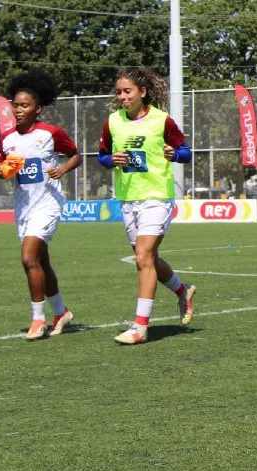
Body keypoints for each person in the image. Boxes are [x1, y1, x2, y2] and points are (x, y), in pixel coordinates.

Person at [98, 68, 195, 345]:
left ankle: (140, 327)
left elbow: (186, 153)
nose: (122, 96)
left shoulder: (162, 120)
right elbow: (102, 157)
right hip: (128, 199)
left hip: (157, 196)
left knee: (143, 257)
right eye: (118, 92)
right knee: (147, 258)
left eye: (127, 91)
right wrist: (111, 161)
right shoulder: (113, 122)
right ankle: (182, 290)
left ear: (143, 92)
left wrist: (174, 153)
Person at [0, 69, 82, 340]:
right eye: (15, 105)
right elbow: (0, 168)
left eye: (25, 105)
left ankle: (37, 320)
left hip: (48, 203)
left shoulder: (50, 133)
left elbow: (75, 155)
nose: (18, 110)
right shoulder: (7, 139)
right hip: (24, 207)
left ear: (38, 109)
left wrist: (63, 169)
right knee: (41, 262)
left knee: (28, 258)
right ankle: (61, 312)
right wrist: (4, 170)